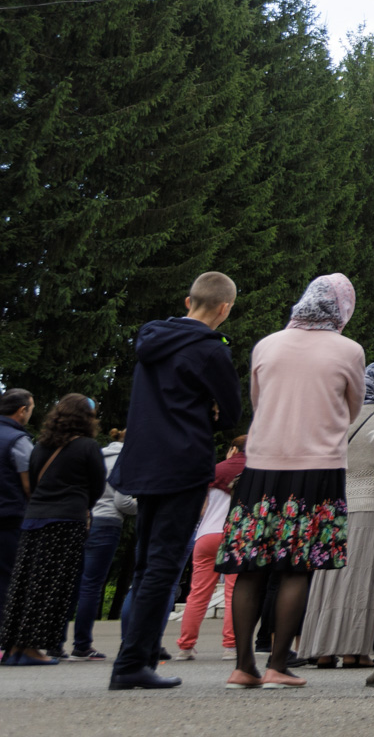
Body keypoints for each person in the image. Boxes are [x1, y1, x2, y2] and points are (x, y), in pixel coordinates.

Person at [215, 274, 364, 689]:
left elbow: (259, 401)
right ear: (342, 307)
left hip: (262, 465)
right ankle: (278, 664)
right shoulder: (349, 350)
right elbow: (351, 410)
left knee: (250, 566)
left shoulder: (267, 344)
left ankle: (243, 665)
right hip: (318, 468)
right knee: (298, 567)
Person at [110, 271, 246, 691]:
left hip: (144, 463)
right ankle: (132, 664)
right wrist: (213, 410)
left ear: (188, 302)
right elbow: (233, 413)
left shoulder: (151, 339)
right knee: (164, 567)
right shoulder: (212, 352)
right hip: (183, 463)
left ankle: (142, 653)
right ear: (224, 309)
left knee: (146, 564)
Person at [300, 362, 374, 668]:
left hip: (337, 507)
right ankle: (358, 650)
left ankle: (323, 648)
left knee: (331, 579)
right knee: (366, 578)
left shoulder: (340, 417)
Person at [0, 395, 107, 665]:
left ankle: (13, 646)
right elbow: (96, 486)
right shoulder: (88, 446)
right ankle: (31, 649)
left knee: (25, 583)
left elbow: (33, 480)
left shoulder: (40, 446)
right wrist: (83, 507)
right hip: (66, 521)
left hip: (33, 519)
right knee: (53, 586)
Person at [67, 425, 136, 661]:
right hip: (107, 523)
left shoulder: (96, 454)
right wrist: (146, 505)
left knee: (74, 582)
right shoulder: (127, 459)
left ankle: (57, 642)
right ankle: (82, 645)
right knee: (92, 586)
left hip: (81, 519)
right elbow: (123, 501)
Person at [175, 439, 245, 661]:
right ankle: (230, 647)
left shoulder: (213, 471)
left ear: (232, 449)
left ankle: (185, 647)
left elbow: (201, 509)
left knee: (197, 593)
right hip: (236, 536)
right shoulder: (255, 471)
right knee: (233, 593)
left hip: (206, 535)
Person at [0, 391, 35, 633]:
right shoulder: (19, 441)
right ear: (22, 410)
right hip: (9, 519)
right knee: (8, 578)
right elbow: (29, 486)